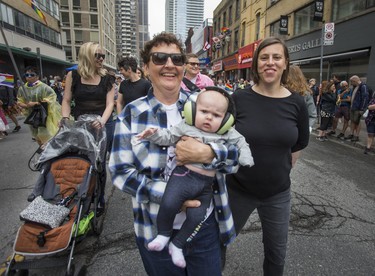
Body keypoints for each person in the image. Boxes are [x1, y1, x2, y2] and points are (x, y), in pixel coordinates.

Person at [109, 32, 239, 275]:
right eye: (159, 58)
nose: (169, 65)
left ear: (182, 66)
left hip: (204, 227)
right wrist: (169, 196)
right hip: (154, 229)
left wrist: (208, 153)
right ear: (146, 67)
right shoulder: (131, 114)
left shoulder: (205, 104)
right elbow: (119, 172)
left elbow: (235, 157)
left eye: (177, 59)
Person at [135, 87, 254, 268]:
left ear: (225, 120)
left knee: (196, 216)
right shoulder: (186, 126)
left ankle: (177, 244)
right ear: (192, 112)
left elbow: (241, 143)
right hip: (183, 177)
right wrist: (153, 134)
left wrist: (246, 158)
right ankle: (164, 234)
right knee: (168, 202)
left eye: (216, 115)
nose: (209, 117)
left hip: (206, 186)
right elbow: (167, 137)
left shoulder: (226, 133)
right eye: (204, 112)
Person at [221, 37, 309, 275]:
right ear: (256, 64)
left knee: (276, 254)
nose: (270, 63)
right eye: (264, 57)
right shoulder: (238, 99)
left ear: (285, 63)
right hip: (237, 190)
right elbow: (221, 137)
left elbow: (299, 143)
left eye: (276, 57)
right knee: (217, 244)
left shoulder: (297, 103)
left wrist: (278, 170)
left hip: (277, 194)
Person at [61, 41, 115, 214]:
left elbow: (110, 105)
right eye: (97, 55)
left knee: (98, 163)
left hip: (102, 124)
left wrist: (102, 120)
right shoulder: (73, 75)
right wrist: (64, 118)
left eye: (102, 56)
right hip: (79, 125)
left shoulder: (108, 78)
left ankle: (99, 198)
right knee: (79, 161)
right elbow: (67, 100)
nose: (101, 59)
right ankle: (79, 193)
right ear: (86, 55)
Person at [17, 66, 61, 146]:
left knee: (45, 135)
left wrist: (36, 103)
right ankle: (41, 150)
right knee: (36, 135)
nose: (29, 77)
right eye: (27, 75)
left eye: (32, 75)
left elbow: (52, 97)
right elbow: (19, 101)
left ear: (37, 76)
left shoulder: (44, 87)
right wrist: (26, 105)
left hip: (43, 115)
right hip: (30, 116)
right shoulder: (22, 88)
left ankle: (48, 152)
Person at [286, 65, 317, 132]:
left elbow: (312, 115)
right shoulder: (280, 90)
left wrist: (307, 129)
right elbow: (312, 115)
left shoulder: (305, 93)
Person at [345, 75, 369, 142]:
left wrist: (362, 109)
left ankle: (356, 135)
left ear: (355, 81)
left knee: (357, 121)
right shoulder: (355, 87)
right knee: (352, 121)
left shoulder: (363, 86)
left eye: (352, 82)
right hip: (353, 106)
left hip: (358, 108)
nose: (351, 83)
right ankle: (351, 134)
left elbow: (365, 98)